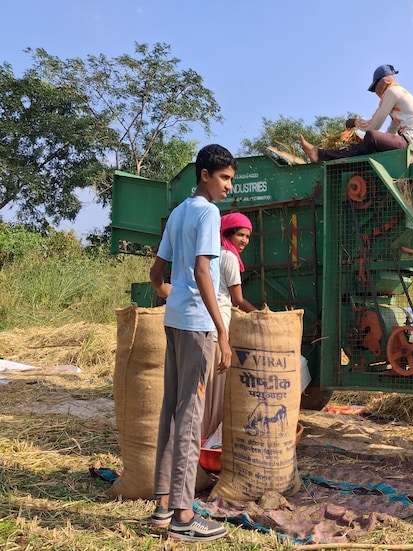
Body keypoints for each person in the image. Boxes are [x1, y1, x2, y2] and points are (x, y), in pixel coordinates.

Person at [148, 144, 237, 542]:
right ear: (205, 175)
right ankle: (184, 517)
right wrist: (221, 331)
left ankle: (162, 507)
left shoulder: (179, 212)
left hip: (174, 321)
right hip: (198, 326)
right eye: (224, 178)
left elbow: (156, 273)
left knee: (171, 410)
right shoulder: (207, 213)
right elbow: (204, 270)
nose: (228, 187)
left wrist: (173, 291)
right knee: (189, 417)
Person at [202, 212, 259, 440]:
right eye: (240, 235)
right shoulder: (230, 258)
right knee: (216, 388)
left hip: (205, 323)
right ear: (228, 233)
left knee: (204, 385)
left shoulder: (213, 254)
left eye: (247, 236)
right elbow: (237, 299)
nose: (244, 241)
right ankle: (209, 437)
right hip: (219, 327)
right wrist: (261, 315)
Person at [299, 64, 413, 162]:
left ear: (381, 82)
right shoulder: (400, 95)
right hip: (412, 144)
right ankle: (323, 154)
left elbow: (373, 127)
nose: (376, 92)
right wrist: (364, 139)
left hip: (409, 143)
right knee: (369, 141)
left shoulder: (392, 92)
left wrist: (355, 122)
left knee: (371, 136)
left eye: (375, 87)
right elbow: (391, 132)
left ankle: (320, 155)